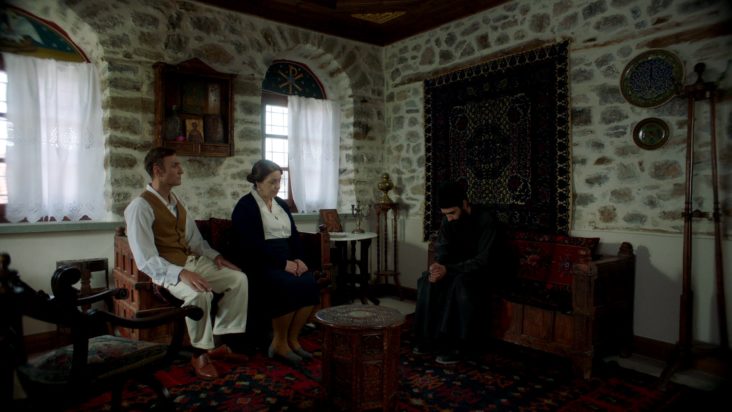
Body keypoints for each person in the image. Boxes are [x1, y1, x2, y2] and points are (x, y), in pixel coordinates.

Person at [124, 147, 249, 380]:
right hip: (165, 273)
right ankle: (199, 354)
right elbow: (145, 259)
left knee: (238, 279)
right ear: (158, 170)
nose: (181, 170)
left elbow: (195, 241)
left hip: (192, 262)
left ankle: (221, 343)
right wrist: (181, 273)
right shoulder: (139, 207)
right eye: (175, 165)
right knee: (200, 294)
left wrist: (216, 257)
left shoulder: (177, 202)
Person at [231, 159, 320, 364]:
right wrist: (282, 264)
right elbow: (250, 245)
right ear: (258, 182)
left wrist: (299, 259)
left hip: (286, 259)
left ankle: (293, 339)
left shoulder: (281, 205)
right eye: (272, 182)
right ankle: (279, 343)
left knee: (308, 282)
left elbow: (294, 236)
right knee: (286, 284)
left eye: (279, 181)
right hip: (259, 263)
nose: (277, 186)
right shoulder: (246, 206)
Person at [413, 180, 502, 365]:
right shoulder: (448, 220)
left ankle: (458, 345)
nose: (449, 218)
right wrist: (437, 266)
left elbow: (483, 260)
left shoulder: (486, 221)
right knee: (427, 280)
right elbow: (443, 248)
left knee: (461, 284)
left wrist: (449, 269)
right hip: (453, 269)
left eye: (452, 213)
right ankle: (428, 338)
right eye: (445, 214)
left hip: (480, 271)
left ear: (464, 204)